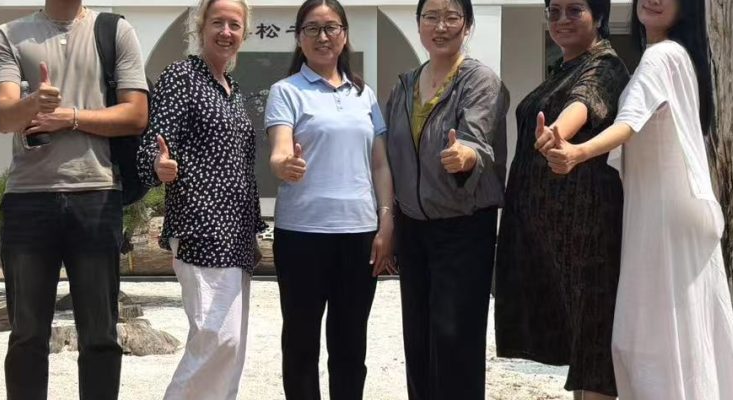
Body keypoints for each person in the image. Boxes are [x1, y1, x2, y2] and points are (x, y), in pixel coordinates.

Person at [544, 0, 733, 398]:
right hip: (675, 213)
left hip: (660, 219)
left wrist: (578, 153)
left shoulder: (660, 57)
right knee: (685, 338)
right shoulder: (680, 57)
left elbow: (628, 124)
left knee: (648, 342)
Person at [0, 0, 150, 397]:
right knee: (27, 334)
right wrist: (33, 104)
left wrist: (70, 117)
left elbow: (136, 114)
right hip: (28, 197)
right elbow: (3, 117)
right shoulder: (9, 34)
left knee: (100, 333)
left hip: (96, 193)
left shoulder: (114, 31)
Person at [492, 0, 628, 399]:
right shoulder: (565, 67)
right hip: (558, 239)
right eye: (554, 11)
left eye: (574, 10)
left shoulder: (605, 66)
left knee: (594, 346)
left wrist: (557, 133)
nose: (562, 20)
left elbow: (584, 103)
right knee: (579, 347)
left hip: (589, 233)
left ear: (598, 16)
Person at [263, 0, 394, 398]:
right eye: (312, 29)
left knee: (351, 346)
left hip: (359, 234)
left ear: (344, 35)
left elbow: (380, 165)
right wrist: (285, 165)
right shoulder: (286, 91)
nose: (323, 37)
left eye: (331, 28)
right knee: (301, 344)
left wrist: (386, 220)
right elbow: (279, 149)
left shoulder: (363, 94)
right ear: (299, 38)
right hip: (301, 235)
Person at [136, 0, 263, 398]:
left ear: (244, 33)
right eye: (218, 22)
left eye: (234, 24)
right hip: (200, 225)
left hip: (237, 232)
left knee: (231, 347)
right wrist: (158, 165)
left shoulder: (232, 90)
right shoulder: (182, 76)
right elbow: (152, 145)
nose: (226, 31)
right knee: (216, 338)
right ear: (201, 26)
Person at [382, 0, 509, 397]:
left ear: (467, 25)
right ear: (418, 24)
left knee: (455, 343)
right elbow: (389, 157)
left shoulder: (479, 80)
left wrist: (465, 155)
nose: (441, 26)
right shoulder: (404, 86)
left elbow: (477, 140)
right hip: (413, 228)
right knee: (418, 340)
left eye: (452, 17)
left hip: (463, 228)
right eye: (431, 17)